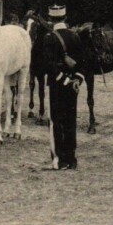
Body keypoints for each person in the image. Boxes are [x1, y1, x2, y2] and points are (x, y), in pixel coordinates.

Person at [46, 26, 85, 170]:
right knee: (70, 120)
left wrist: (64, 80)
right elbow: (82, 63)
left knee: (56, 121)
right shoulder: (75, 36)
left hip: (57, 86)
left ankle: (59, 160)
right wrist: (76, 80)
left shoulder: (49, 38)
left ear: (51, 19)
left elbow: (49, 66)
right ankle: (71, 159)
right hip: (73, 85)